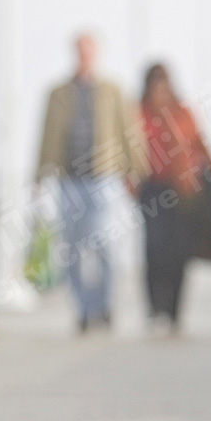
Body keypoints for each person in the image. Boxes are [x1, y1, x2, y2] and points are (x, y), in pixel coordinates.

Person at [35, 33, 146, 333]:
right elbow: (46, 135)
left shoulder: (112, 91)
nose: (84, 57)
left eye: (89, 51)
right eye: (80, 51)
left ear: (96, 54)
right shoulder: (58, 93)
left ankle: (104, 305)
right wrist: (38, 175)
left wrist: (135, 171)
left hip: (103, 178)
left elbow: (128, 132)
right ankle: (83, 309)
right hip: (68, 180)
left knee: (104, 244)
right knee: (71, 247)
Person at [138, 63, 211, 332]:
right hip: (151, 188)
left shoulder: (183, 113)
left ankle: (174, 311)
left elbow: (201, 144)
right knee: (154, 249)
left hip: (183, 191)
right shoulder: (139, 113)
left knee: (178, 251)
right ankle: (155, 308)